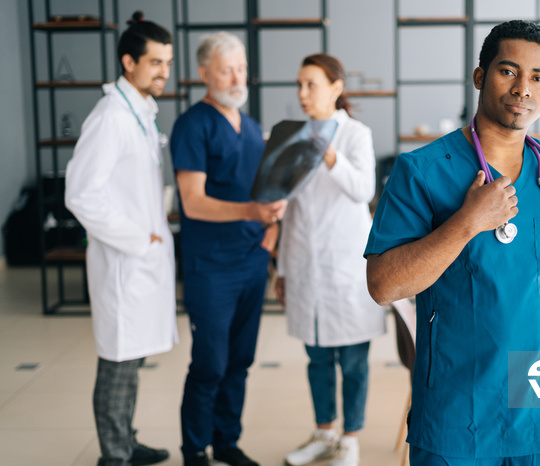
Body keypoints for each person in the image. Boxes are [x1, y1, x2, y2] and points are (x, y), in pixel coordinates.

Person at [365, 20, 540, 465]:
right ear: (480, 77)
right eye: (508, 71)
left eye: (538, 77)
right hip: (457, 409)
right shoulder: (421, 171)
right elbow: (383, 285)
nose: (522, 89)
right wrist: (466, 222)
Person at [170, 31, 287, 466]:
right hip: (212, 266)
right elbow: (193, 201)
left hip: (252, 260)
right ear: (204, 74)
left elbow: (265, 189)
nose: (237, 77)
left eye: (241, 69)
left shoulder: (251, 125)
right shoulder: (192, 125)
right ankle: (194, 448)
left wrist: (270, 232)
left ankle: (226, 441)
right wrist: (250, 214)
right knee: (210, 363)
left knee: (240, 359)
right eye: (226, 69)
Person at [64, 11, 176, 466]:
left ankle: (126, 441)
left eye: (167, 63)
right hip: (124, 260)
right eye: (155, 63)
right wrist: (140, 239)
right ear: (128, 62)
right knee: (117, 363)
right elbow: (81, 195)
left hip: (139, 259)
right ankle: (113, 456)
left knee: (129, 362)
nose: (164, 72)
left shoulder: (139, 113)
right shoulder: (111, 117)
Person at [276, 54, 385, 466]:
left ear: (336, 88)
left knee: (353, 361)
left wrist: (327, 154)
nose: (303, 94)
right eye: (299, 85)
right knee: (317, 357)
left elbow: (363, 189)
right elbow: (293, 209)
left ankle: (350, 438)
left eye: (311, 85)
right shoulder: (293, 136)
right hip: (305, 263)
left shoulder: (356, 134)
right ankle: (324, 433)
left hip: (346, 266)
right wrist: (283, 269)